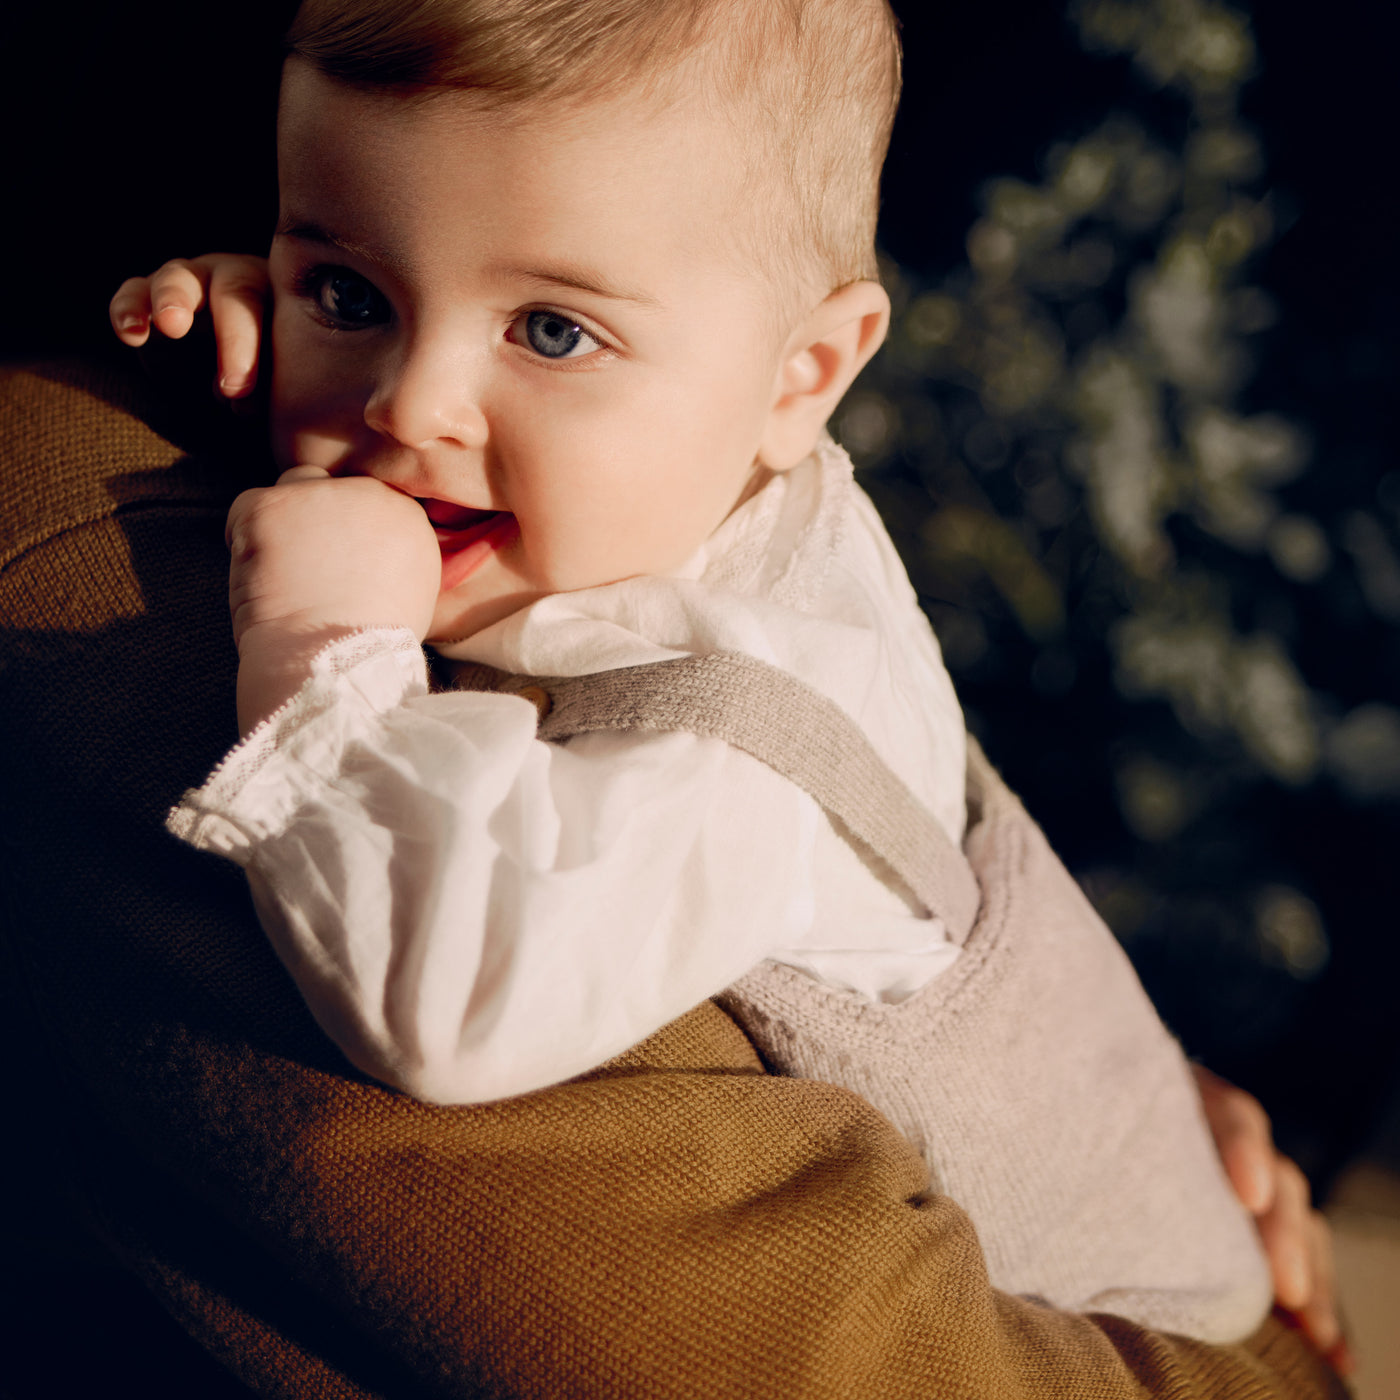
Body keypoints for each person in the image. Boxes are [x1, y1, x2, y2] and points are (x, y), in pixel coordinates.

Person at [105, 0, 1330, 1356]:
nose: (407, 405)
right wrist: (259, 334)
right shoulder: (679, 456)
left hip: (1119, 1332)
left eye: (553, 333)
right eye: (349, 291)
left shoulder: (731, 735)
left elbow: (448, 1005)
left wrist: (324, 653)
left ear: (800, 377)